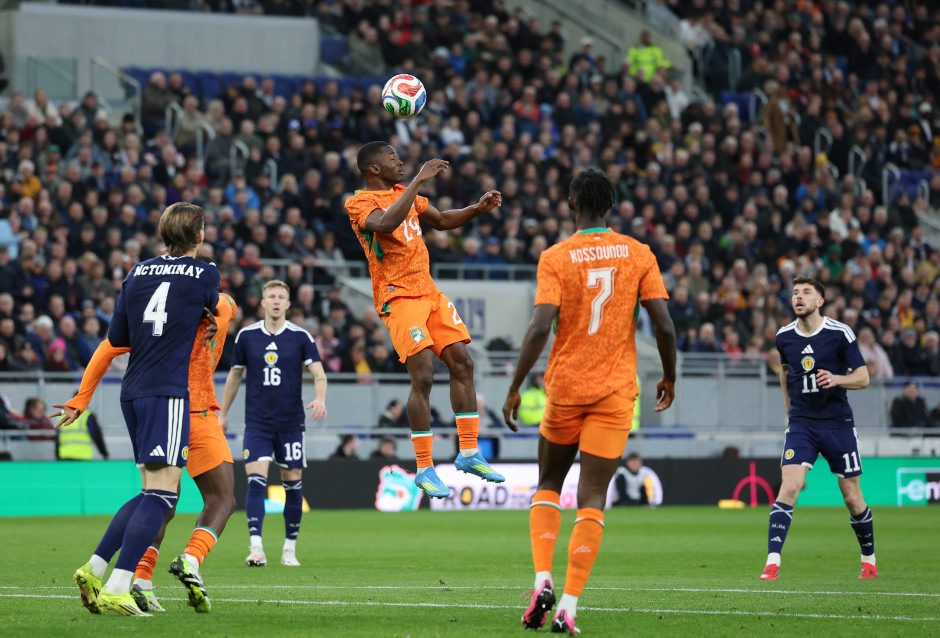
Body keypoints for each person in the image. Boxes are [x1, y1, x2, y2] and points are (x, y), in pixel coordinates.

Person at [502, 169, 677, 634]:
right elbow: (664, 325)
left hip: (564, 390)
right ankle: (569, 606)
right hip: (615, 392)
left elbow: (540, 327)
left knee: (548, 483)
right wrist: (670, 377)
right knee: (593, 498)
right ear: (611, 206)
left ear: (571, 204)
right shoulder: (639, 253)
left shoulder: (556, 257)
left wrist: (516, 385)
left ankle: (542, 579)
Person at [66, 202, 220, 616]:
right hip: (168, 392)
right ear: (198, 234)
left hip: (132, 390)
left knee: (150, 492)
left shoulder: (136, 273)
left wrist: (82, 394)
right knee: (164, 497)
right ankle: (120, 585)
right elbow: (214, 310)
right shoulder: (206, 273)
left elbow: (117, 339)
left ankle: (95, 567)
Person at [56, 291, 238, 613]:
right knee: (214, 498)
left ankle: (134, 577)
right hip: (187, 407)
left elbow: (107, 347)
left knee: (157, 498)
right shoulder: (216, 302)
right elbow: (224, 306)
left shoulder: (149, 311)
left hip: (151, 405)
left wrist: (82, 397)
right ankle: (186, 561)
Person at [344, 142, 505, 498]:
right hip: (398, 297)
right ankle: (424, 467)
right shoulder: (359, 203)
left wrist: (477, 209)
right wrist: (418, 179)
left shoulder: (405, 194)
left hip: (429, 293)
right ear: (373, 169)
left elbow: (442, 220)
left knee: (463, 362)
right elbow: (385, 223)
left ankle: (469, 452)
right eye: (392, 158)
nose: (400, 162)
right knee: (424, 375)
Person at [761, 277, 874, 582]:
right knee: (790, 486)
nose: (798, 297)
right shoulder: (784, 336)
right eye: (795, 293)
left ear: (820, 301)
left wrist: (837, 379)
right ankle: (772, 562)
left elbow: (863, 377)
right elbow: (786, 372)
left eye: (806, 292)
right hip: (802, 424)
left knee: (851, 496)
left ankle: (868, 559)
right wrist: (789, 410)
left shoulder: (840, 333)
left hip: (838, 424)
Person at [219, 279, 328, 568]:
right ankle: (256, 548)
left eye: (281, 297)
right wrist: (222, 413)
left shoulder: (301, 337)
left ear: (288, 304)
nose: (277, 301)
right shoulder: (247, 336)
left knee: (293, 484)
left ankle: (289, 549)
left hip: (291, 424)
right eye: (272, 296)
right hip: (257, 423)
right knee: (256, 481)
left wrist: (320, 399)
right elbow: (234, 377)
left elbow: (319, 373)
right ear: (263, 303)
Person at [55, 395, 109, 461]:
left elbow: (57, 438)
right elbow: (96, 435)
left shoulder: (63, 416)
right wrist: (104, 453)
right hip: (82, 455)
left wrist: (57, 456)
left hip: (65, 455)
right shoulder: (87, 415)